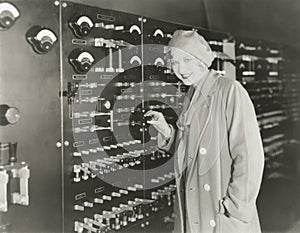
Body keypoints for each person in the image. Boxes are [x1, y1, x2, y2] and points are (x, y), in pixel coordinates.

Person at [144, 30, 265, 233]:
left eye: (187, 60)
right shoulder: (192, 95)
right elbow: (193, 151)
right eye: (174, 62)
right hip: (195, 206)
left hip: (219, 209)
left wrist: (235, 209)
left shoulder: (230, 91)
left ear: (201, 60)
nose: (180, 69)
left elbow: (250, 158)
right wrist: (167, 132)